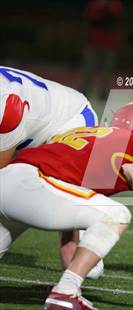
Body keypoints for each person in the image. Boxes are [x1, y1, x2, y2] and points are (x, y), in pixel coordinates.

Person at [0, 102, 133, 309]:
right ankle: (65, 294)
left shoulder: (85, 135)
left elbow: (69, 228)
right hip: (32, 184)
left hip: (10, 178)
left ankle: (66, 290)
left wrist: (69, 275)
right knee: (117, 214)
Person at [0, 66, 104, 279]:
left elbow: (3, 178)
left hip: (70, 123)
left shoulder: (8, 105)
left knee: (18, 194)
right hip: (30, 129)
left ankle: (85, 246)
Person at [79, 0, 123, 101]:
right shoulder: (94, 4)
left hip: (110, 43)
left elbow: (117, 19)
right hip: (93, 42)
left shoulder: (115, 4)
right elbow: (88, 19)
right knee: (88, 69)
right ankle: (84, 92)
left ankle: (103, 94)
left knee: (107, 70)